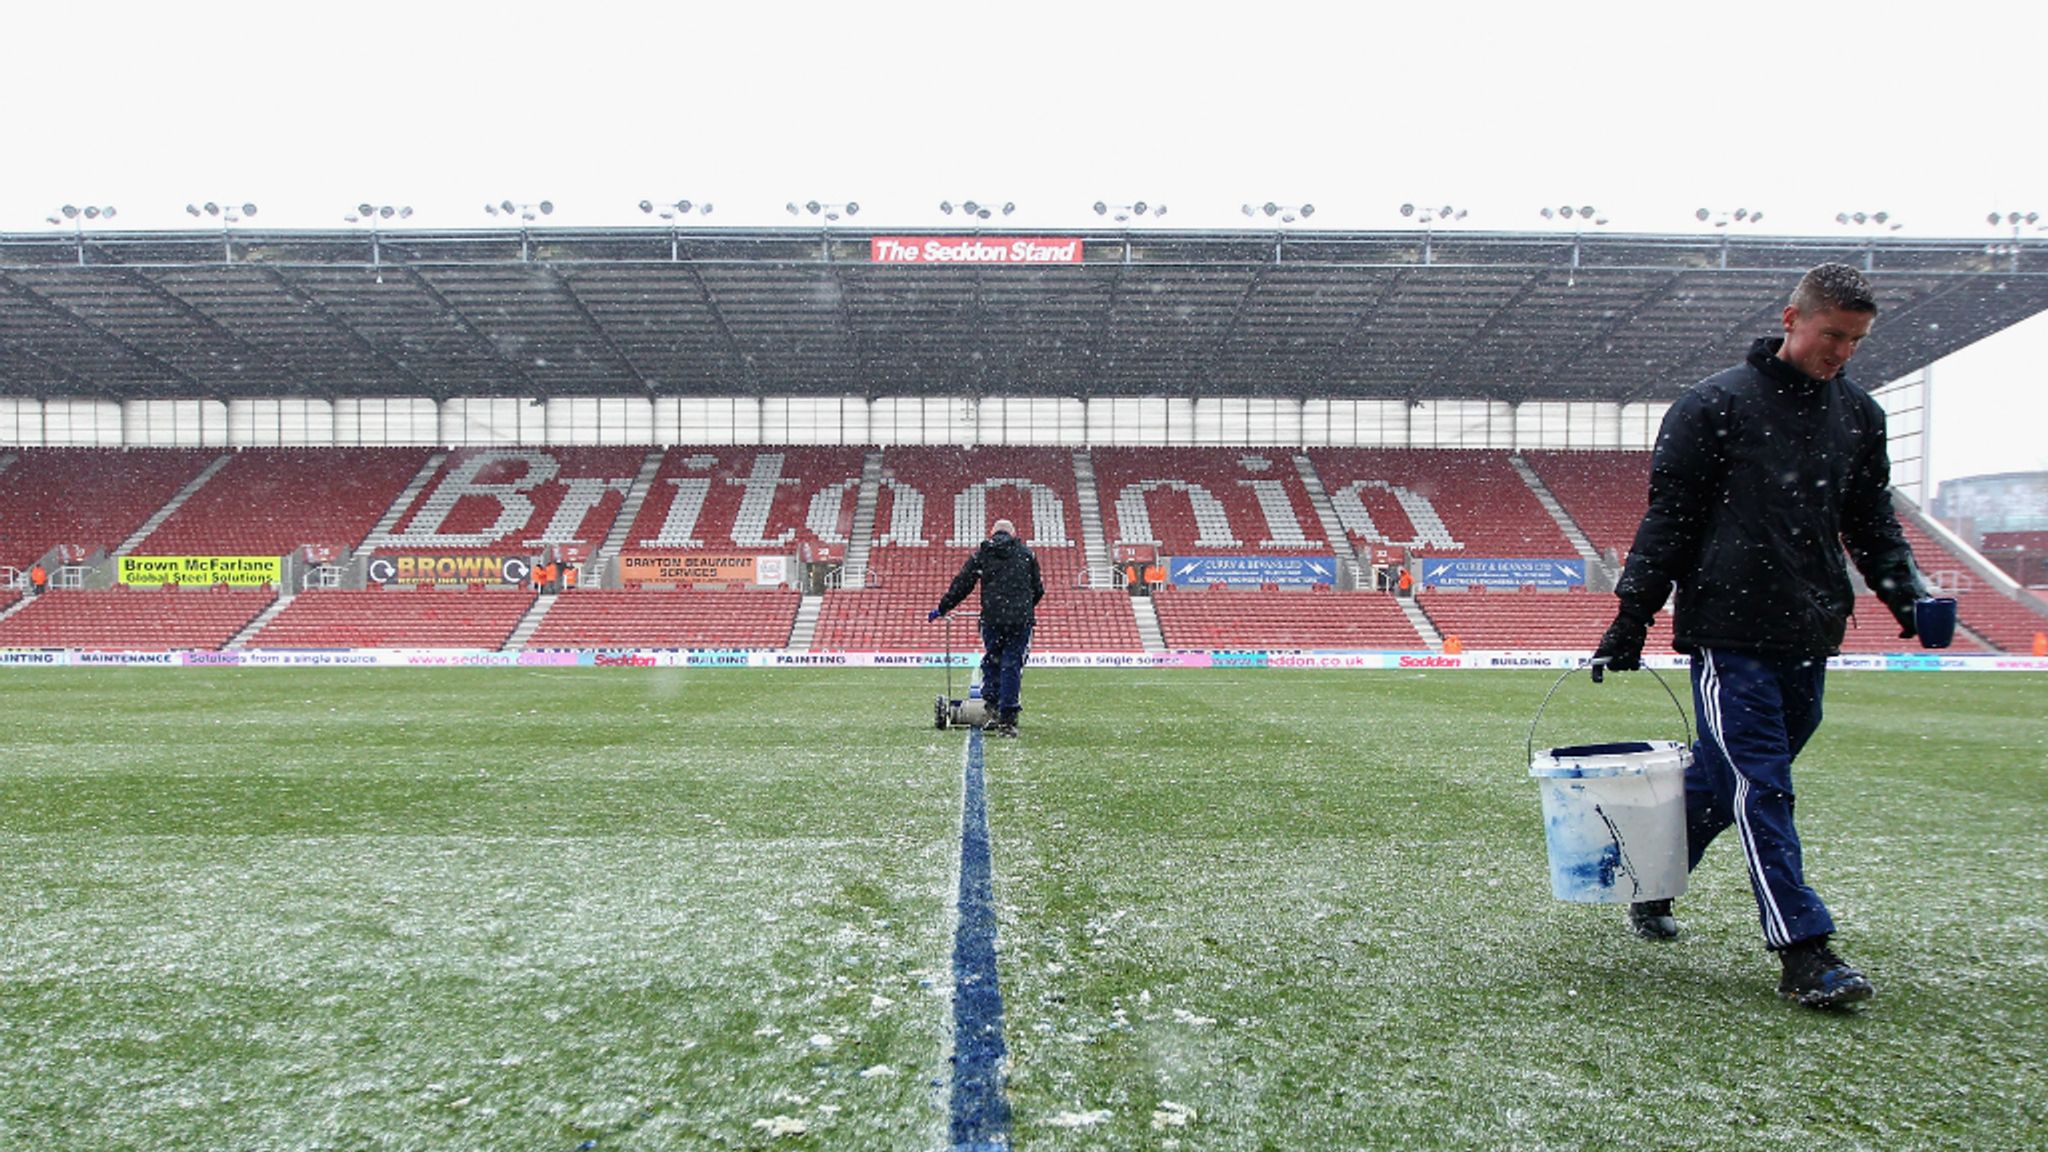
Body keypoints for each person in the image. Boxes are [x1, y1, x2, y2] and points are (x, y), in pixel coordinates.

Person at [1593, 262, 1925, 1010]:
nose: (1841, 351)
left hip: (1811, 627)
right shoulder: (1715, 406)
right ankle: (1805, 951)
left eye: (1856, 340)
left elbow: (1871, 521)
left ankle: (1650, 879)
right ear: (1791, 319)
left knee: (1721, 784)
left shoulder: (1860, 416)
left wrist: (1905, 595)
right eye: (1831, 333)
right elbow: (1668, 521)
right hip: (1729, 628)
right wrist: (1632, 616)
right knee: (1760, 786)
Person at [929, 518, 1044, 738]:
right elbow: (1038, 589)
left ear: (992, 533)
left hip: (992, 618)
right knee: (1012, 665)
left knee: (993, 659)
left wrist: (942, 608)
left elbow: (962, 584)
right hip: (1020, 621)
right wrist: (1024, 608)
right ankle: (1008, 719)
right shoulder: (1027, 555)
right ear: (1013, 533)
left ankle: (992, 705)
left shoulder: (983, 554)